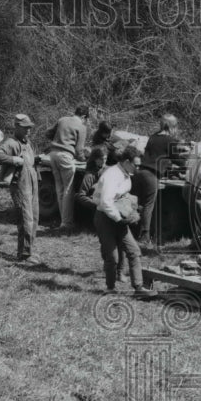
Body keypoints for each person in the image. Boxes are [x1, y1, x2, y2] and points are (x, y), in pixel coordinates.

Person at [94, 145, 155, 298]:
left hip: (118, 218)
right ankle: (110, 287)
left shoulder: (126, 173)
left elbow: (122, 196)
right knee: (112, 257)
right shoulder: (112, 175)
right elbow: (106, 201)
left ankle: (139, 288)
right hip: (106, 218)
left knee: (134, 251)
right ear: (127, 162)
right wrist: (119, 218)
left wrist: (132, 208)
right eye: (136, 165)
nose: (138, 168)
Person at [0, 113, 41, 265]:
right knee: (26, 219)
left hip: (32, 182)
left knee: (34, 218)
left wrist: (38, 159)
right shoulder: (11, 143)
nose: (28, 131)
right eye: (25, 128)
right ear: (17, 127)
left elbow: (28, 161)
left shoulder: (27, 142)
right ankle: (24, 255)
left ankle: (28, 250)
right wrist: (13, 159)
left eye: (30, 128)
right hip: (20, 184)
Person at [77, 146, 128, 282]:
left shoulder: (109, 171)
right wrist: (97, 204)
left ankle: (121, 271)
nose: (104, 162)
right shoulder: (90, 176)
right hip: (101, 213)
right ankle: (109, 268)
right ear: (94, 160)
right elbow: (81, 195)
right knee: (107, 245)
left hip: (116, 210)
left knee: (121, 243)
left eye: (105, 159)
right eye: (101, 159)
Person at [132, 114, 181, 252]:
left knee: (138, 203)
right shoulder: (171, 140)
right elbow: (177, 159)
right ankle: (145, 237)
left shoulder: (153, 137)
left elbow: (155, 154)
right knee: (149, 206)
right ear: (171, 126)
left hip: (140, 171)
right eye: (175, 126)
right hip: (152, 175)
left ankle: (130, 231)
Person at [46, 105, 90, 233]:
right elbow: (79, 150)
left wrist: (58, 140)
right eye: (86, 119)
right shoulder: (81, 127)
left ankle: (62, 220)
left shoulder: (62, 120)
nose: (85, 121)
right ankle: (67, 223)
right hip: (66, 156)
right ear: (83, 116)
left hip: (53, 154)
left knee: (60, 189)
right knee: (68, 190)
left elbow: (48, 133)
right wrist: (84, 159)